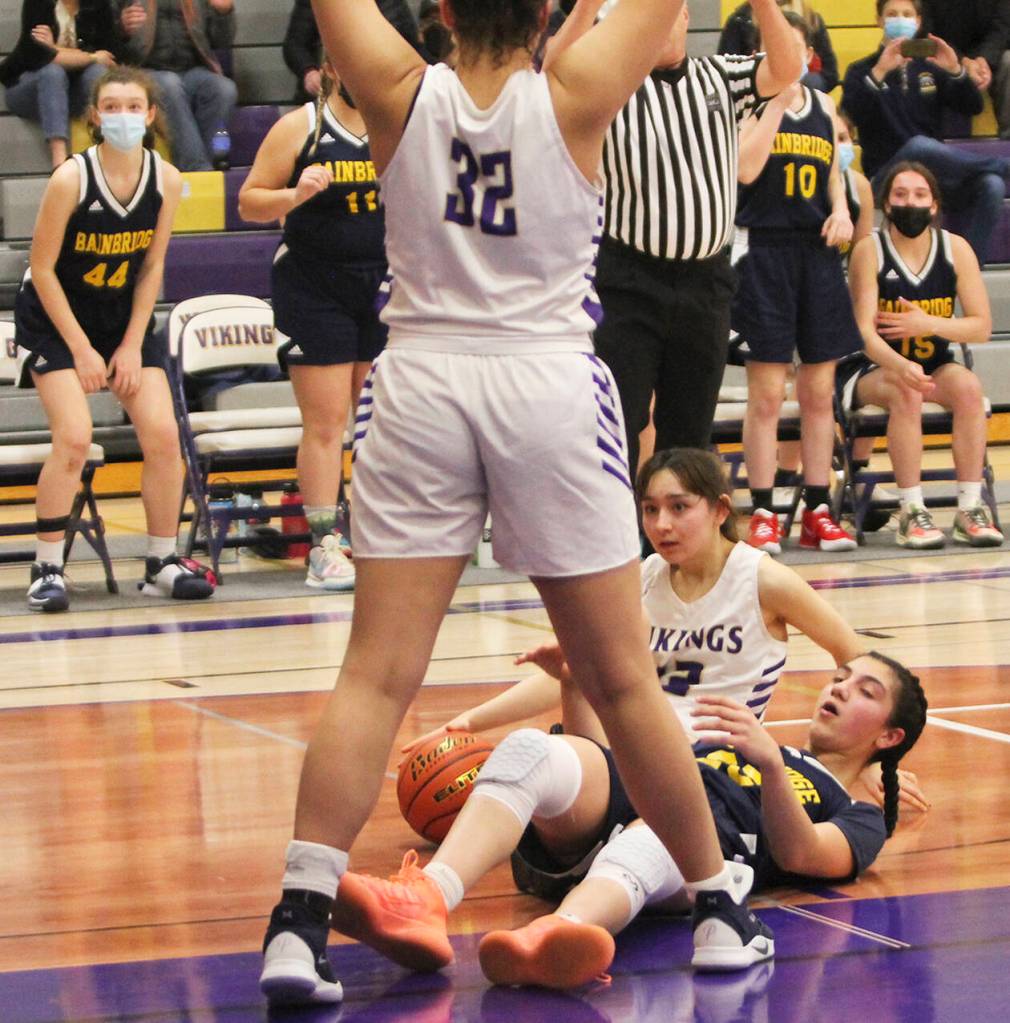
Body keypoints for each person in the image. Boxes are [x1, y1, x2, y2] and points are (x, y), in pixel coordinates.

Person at [259, 0, 780, 1007]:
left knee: (374, 676)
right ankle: (718, 909)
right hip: (543, 383)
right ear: (547, 12)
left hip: (419, 381)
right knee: (622, 682)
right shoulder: (578, 91)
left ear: (440, 9)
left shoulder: (396, 90)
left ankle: (295, 925)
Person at [469, 651, 928, 988]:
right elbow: (613, 772)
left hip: (698, 861)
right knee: (540, 753)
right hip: (609, 833)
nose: (840, 688)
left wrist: (770, 767)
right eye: (840, 678)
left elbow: (802, 853)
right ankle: (433, 888)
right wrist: (574, 684)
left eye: (866, 691)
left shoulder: (858, 812)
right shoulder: (744, 742)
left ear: (889, 736)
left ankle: (555, 931)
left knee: (668, 827)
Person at [13, 66, 216, 612]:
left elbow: (151, 267)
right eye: (111, 106)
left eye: (133, 106)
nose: (122, 115)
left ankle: (161, 563)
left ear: (150, 116)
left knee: (163, 436)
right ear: (94, 116)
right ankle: (47, 568)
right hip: (56, 318)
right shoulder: (70, 179)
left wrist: (129, 345)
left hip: (120, 316)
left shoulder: (166, 179)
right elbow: (42, 268)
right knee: (75, 437)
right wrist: (80, 348)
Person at [577, 0, 799, 482]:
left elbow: (788, 67)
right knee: (619, 421)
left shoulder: (720, 75)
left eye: (666, 14)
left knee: (690, 432)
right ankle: (620, 544)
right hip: (629, 280)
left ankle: (678, 548)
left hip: (706, 283)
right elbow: (554, 69)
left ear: (684, 18)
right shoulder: (608, 86)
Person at [238, 57, 387, 591]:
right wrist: (293, 195)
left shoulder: (398, 122)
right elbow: (249, 201)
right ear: (331, 69)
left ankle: (378, 535)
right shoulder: (300, 126)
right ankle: (324, 544)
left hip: (382, 284)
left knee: (378, 425)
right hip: (314, 284)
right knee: (326, 424)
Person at [733, 14, 859, 555]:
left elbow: (832, 172)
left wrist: (842, 211)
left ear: (807, 54)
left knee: (818, 392)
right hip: (764, 249)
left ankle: (817, 508)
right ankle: (762, 509)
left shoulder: (825, 105)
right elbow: (742, 170)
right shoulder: (748, 104)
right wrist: (776, 106)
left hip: (816, 254)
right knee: (765, 395)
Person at [842, 161, 1003, 549]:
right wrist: (900, 364)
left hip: (931, 360)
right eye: (900, 195)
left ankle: (969, 507)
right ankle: (912, 509)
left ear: (934, 205)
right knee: (906, 390)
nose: (909, 202)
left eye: (919, 195)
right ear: (887, 203)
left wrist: (927, 324)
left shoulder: (956, 249)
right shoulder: (870, 250)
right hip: (873, 366)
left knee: (967, 388)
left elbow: (980, 326)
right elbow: (864, 332)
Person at [841, 0, 1009, 266]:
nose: (900, 19)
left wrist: (955, 70)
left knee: (992, 184)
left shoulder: (931, 66)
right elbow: (851, 115)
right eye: (892, 14)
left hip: (931, 179)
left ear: (918, 21)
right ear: (879, 20)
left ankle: (965, 269)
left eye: (907, 14)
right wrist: (880, 72)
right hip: (885, 175)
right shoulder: (861, 70)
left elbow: (972, 106)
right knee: (919, 146)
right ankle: (1004, 165)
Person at [117, 0, 237, 172]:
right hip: (145, 70)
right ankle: (196, 169)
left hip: (193, 70)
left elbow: (221, 41)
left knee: (224, 89)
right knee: (169, 84)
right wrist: (122, 28)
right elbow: (107, 35)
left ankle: (211, 168)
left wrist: (224, 13)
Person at [1, 0, 121, 169]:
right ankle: (60, 161)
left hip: (74, 92)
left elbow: (109, 57)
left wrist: (56, 49)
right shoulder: (37, 4)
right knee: (52, 72)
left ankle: (107, 148)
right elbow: (40, 54)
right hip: (28, 87)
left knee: (97, 73)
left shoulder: (99, 5)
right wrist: (91, 56)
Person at [281, 0, 425, 105]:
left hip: (384, 98)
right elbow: (294, 45)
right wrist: (309, 72)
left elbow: (413, 47)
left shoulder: (394, 3)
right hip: (327, 98)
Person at [920, 0, 1010, 139]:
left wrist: (984, 59)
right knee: (926, 61)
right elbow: (927, 30)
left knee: (1009, 61)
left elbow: (1002, 28)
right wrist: (962, 61)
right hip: (942, 53)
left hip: (989, 56)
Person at [719, 0, 838, 92]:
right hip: (757, 94)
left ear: (809, 53)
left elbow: (829, 75)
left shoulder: (812, 19)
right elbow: (726, 72)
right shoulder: (740, 21)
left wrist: (801, 87)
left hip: (804, 93)